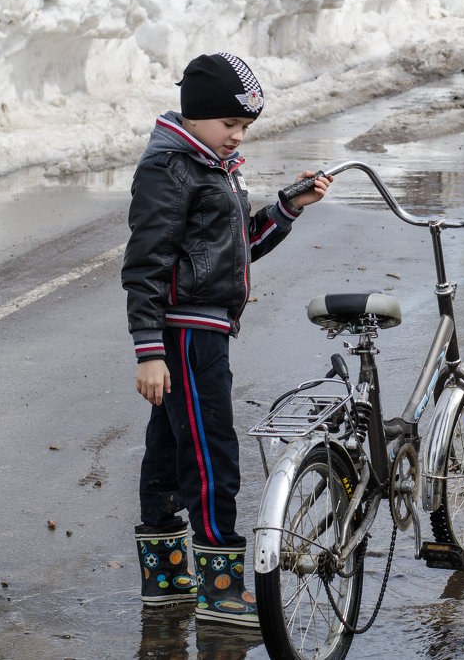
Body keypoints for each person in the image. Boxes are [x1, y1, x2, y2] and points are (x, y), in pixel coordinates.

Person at [122, 52, 332, 627]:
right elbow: (145, 264)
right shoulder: (173, 168)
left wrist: (286, 208)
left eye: (244, 128)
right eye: (229, 125)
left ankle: (166, 582)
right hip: (185, 334)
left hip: (203, 329)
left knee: (169, 451)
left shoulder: (211, 163)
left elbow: (233, 246)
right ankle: (220, 589)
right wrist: (149, 349)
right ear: (195, 116)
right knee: (212, 453)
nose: (236, 137)